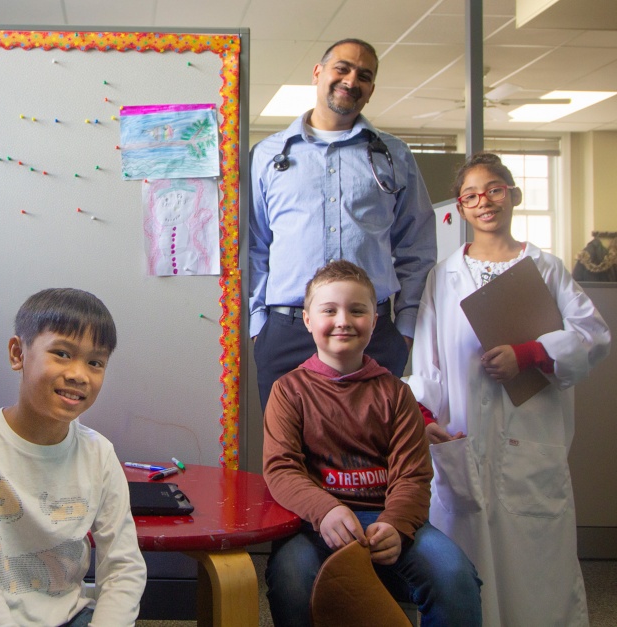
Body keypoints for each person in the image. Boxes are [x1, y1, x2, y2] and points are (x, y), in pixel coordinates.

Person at [405, 152, 611, 627]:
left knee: (537, 569)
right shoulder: (445, 275)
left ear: (513, 195)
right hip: (464, 442)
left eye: (495, 189)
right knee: (462, 565)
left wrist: (531, 354)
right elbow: (428, 363)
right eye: (472, 194)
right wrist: (427, 420)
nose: (485, 202)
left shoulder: (547, 268)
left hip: (529, 444)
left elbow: (593, 337)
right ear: (459, 206)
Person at [262, 260, 482, 627]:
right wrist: (326, 511)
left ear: (374, 321)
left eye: (357, 310)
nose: (343, 320)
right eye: (329, 310)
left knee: (454, 575)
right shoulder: (288, 391)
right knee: (290, 578)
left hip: (390, 520)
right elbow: (281, 470)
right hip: (315, 523)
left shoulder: (397, 394)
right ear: (307, 320)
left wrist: (396, 524)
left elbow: (412, 476)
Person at [0, 288, 147, 626]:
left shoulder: (100, 454)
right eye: (62, 353)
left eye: (95, 362)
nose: (79, 374)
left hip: (69, 616)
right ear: (18, 353)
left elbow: (124, 568)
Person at [249, 38, 436, 409]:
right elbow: (254, 245)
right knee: (289, 459)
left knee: (370, 459)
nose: (352, 80)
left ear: (371, 90)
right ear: (318, 73)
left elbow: (416, 245)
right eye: (343, 68)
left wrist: (406, 329)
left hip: (373, 334)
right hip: (287, 332)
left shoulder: (393, 155)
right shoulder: (268, 156)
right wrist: (259, 326)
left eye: (364, 75)